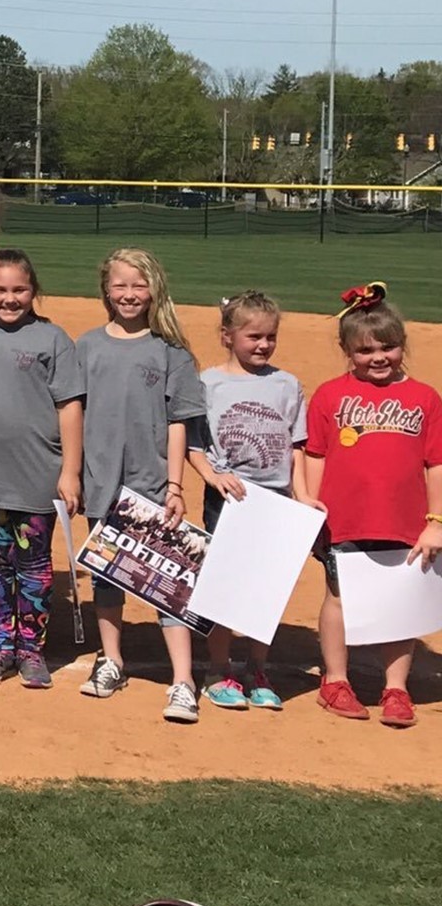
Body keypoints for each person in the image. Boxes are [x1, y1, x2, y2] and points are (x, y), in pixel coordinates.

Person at [73, 247, 207, 721]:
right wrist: (74, 473)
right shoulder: (86, 346)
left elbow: (178, 422)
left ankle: (184, 680)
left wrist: (174, 484)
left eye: (138, 285)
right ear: (105, 290)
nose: (129, 294)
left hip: (151, 482)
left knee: (166, 581)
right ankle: (111, 659)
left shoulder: (171, 351)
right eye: (120, 285)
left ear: (154, 289)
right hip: (100, 479)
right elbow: (74, 413)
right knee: (108, 577)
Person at [303, 283, 442, 729]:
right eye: (365, 350)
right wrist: (311, 508)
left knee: (399, 600)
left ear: (403, 345)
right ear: (347, 350)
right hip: (343, 518)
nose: (378, 357)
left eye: (388, 346)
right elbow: (316, 455)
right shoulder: (329, 395)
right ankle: (336, 680)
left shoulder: (425, 398)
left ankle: (397, 687)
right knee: (339, 597)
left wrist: (436, 521)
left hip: (405, 520)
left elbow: (437, 463)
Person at [0, 250, 84, 689]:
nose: (9, 299)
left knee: (33, 567)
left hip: (35, 475)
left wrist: (70, 470)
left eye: (20, 290)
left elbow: (70, 406)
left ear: (34, 291)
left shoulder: (52, 339)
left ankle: (31, 649)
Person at [185, 291, 302, 711]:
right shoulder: (209, 384)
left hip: (276, 501)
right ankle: (219, 669)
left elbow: (299, 446)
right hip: (229, 500)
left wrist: (302, 496)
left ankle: (257, 669)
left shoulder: (287, 384)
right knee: (223, 585)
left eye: (270, 337)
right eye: (253, 336)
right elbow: (193, 444)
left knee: (265, 589)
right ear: (226, 335)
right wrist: (211, 476)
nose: (263, 345)